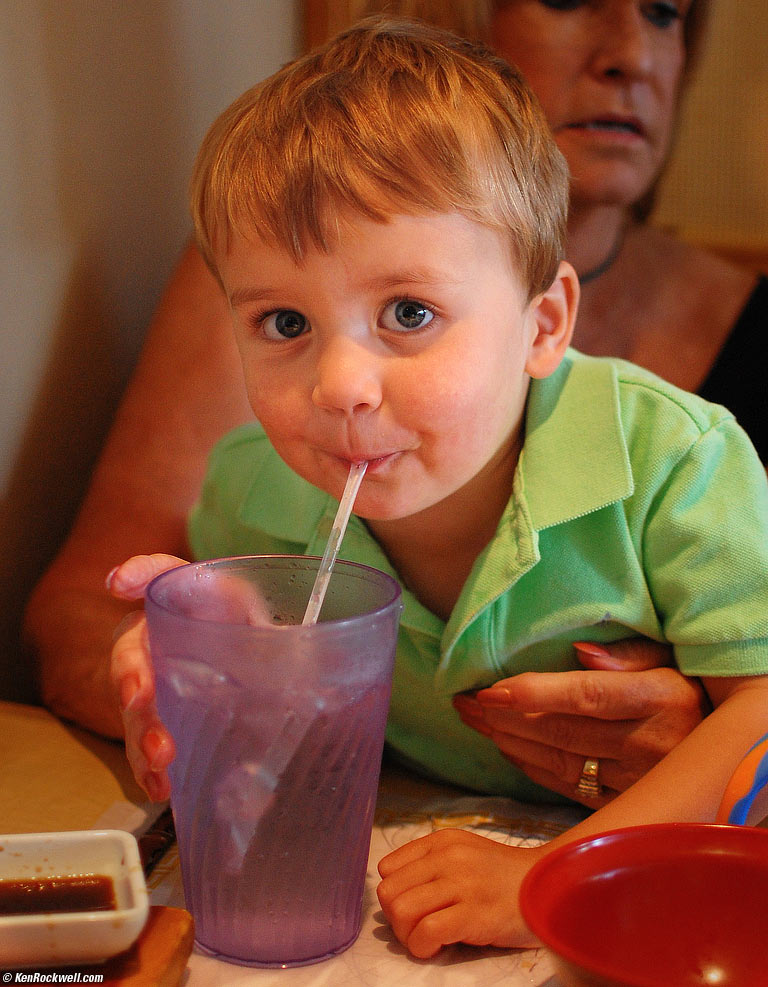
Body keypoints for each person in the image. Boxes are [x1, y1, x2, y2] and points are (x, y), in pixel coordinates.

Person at [107, 17, 768, 956]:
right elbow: (274, 748)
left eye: (408, 312)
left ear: (543, 325)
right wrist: (189, 676)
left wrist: (551, 877)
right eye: (284, 320)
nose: (340, 387)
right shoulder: (252, 490)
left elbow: (761, 707)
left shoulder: (673, 461)